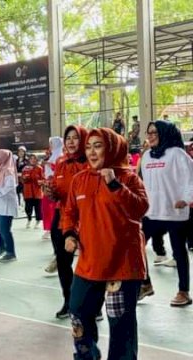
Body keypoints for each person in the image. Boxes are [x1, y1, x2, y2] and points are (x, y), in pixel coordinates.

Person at [62, 128, 149, 360]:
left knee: (120, 323)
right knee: (78, 313)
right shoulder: (80, 180)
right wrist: (69, 234)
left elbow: (140, 209)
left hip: (122, 264)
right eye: (88, 146)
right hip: (89, 262)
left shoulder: (129, 178)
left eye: (98, 146)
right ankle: (87, 355)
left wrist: (114, 185)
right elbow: (69, 211)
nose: (91, 151)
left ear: (111, 148)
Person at [140, 120, 193, 306]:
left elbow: (190, 179)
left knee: (179, 251)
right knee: (136, 246)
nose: (150, 136)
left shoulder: (177, 154)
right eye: (149, 133)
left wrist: (186, 200)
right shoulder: (146, 157)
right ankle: (145, 284)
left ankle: (183, 291)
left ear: (165, 133)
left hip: (174, 213)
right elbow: (144, 185)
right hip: (152, 212)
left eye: (154, 132)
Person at [45, 125, 89, 319]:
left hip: (88, 219)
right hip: (63, 218)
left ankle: (92, 306)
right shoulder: (61, 163)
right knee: (63, 263)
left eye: (75, 138)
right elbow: (57, 190)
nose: (71, 142)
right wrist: (51, 192)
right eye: (68, 138)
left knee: (90, 265)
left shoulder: (90, 163)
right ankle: (69, 302)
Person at [42, 137, 64, 241]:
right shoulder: (52, 155)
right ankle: (49, 227)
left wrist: (49, 164)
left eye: (51, 143)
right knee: (47, 207)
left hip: (55, 185)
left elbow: (59, 169)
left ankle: (54, 227)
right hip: (48, 183)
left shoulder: (60, 156)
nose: (50, 146)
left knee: (54, 208)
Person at [21, 153, 43, 229]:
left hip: (37, 191)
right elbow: (22, 179)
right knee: (28, 207)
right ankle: (29, 219)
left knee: (38, 208)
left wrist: (40, 181)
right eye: (31, 159)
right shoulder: (25, 168)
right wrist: (24, 178)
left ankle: (38, 221)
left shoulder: (39, 168)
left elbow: (42, 178)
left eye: (34, 159)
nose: (33, 160)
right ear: (29, 160)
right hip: (28, 191)